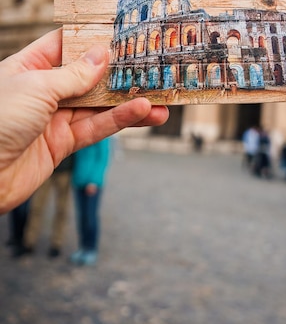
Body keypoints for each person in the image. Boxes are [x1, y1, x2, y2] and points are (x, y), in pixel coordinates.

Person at [0, 28, 169, 215]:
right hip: (70, 173)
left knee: (74, 213)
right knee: (59, 211)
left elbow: (102, 155)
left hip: (76, 175)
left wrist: (93, 180)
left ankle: (72, 244)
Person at [20, 155, 75, 258]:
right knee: (36, 207)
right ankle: (29, 241)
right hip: (47, 168)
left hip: (65, 170)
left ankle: (56, 243)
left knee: (61, 210)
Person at [70, 139, 111, 266]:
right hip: (79, 180)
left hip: (92, 183)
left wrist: (94, 180)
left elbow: (103, 157)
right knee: (81, 217)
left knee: (90, 217)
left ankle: (91, 248)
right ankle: (83, 247)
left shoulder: (103, 135)